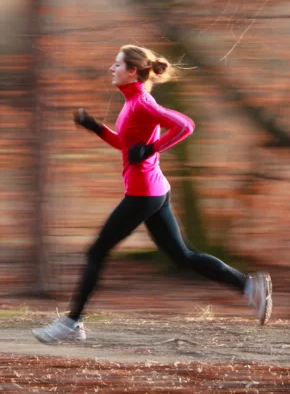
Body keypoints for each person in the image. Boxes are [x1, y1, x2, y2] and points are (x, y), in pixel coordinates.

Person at [32, 45, 272, 344]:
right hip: (154, 189)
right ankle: (249, 286)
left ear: (132, 71)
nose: (111, 68)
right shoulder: (133, 103)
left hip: (144, 193)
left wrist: (152, 148)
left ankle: (72, 322)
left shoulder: (141, 103)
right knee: (182, 257)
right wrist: (96, 127)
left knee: (96, 252)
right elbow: (126, 144)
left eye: (117, 64)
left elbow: (185, 125)